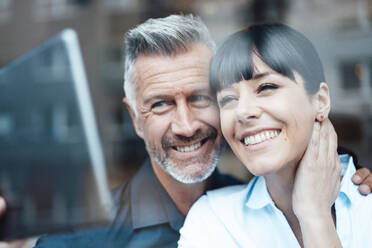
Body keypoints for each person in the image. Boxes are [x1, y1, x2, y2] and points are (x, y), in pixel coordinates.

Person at [0, 15, 371, 248]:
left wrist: (346, 180)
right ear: (135, 119)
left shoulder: (241, 195)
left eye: (200, 98)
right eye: (160, 104)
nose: (187, 125)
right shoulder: (76, 240)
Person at [178, 23, 372, 248]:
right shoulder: (214, 222)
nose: (243, 111)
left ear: (320, 101)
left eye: (266, 87)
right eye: (228, 100)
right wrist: (314, 215)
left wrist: (314, 216)